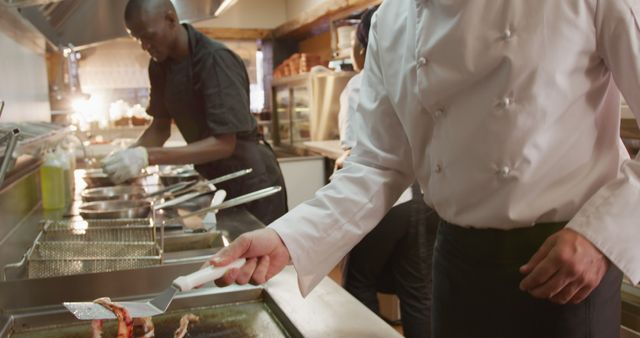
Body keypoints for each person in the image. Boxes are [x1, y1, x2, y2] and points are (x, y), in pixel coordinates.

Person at [210, 1, 640, 337]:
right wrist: (289, 237)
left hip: (564, 268)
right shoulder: (392, 21)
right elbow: (377, 164)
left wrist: (599, 237)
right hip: (456, 265)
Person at [102, 0, 287, 225]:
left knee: (259, 253)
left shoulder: (215, 59)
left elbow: (223, 144)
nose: (144, 45)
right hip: (217, 177)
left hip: (252, 179)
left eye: (148, 36)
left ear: (171, 19)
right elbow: (159, 129)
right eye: (138, 39)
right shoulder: (159, 66)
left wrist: (146, 157)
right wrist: (127, 158)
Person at [336, 7, 437, 338]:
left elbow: (357, 151)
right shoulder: (421, 77)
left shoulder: (358, 84)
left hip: (385, 200)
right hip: (425, 199)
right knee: (418, 292)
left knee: (359, 283)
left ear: (366, 45)